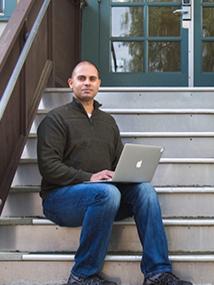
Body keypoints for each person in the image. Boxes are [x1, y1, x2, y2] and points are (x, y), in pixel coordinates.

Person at [37, 61, 193, 285]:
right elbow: (48, 167)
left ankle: (157, 273)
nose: (87, 83)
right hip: (61, 200)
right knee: (106, 193)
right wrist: (89, 178)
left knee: (145, 191)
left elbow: (119, 162)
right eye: (82, 79)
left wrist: (130, 172)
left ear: (99, 84)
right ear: (71, 84)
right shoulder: (56, 119)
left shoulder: (108, 122)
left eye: (92, 79)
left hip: (105, 199)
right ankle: (82, 275)